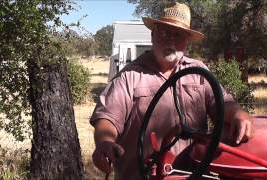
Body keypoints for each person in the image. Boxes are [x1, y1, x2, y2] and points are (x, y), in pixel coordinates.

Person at [90, 2, 254, 180]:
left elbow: (222, 104)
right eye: (165, 32)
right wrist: (104, 141)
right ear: (153, 35)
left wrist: (238, 114)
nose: (171, 40)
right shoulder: (130, 76)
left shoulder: (199, 71)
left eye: (179, 35)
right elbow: (107, 119)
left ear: (187, 41)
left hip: (192, 175)